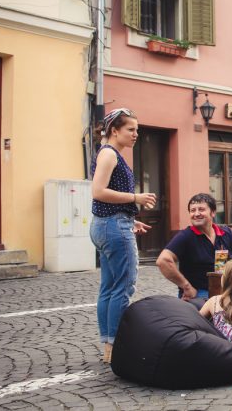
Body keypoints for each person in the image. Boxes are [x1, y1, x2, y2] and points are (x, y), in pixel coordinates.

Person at [90, 108, 156, 363]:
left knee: (109, 288)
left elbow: (106, 197)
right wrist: (135, 199)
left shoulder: (107, 153)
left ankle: (108, 346)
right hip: (112, 226)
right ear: (114, 130)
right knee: (122, 288)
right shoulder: (109, 154)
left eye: (137, 130)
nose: (136, 134)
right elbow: (98, 191)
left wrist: (131, 218)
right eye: (131, 129)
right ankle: (116, 347)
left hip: (107, 224)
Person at [156, 193, 232, 301]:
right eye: (192, 210)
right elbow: (163, 261)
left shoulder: (226, 232)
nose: (196, 214)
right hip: (199, 293)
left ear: (213, 212)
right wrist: (186, 287)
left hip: (227, 290)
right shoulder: (186, 236)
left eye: (201, 209)